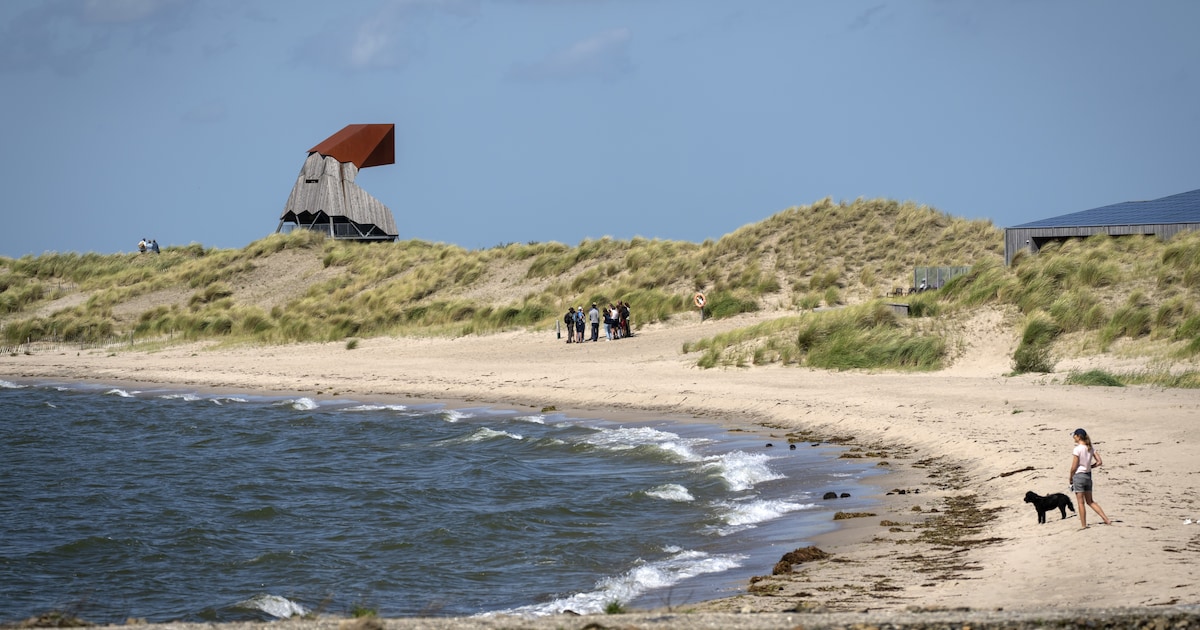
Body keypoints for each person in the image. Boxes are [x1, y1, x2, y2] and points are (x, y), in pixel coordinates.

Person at [1069, 428, 1112, 529]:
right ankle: (1106, 519)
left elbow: (1074, 467)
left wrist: (1070, 478)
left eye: (1074, 436)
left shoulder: (1077, 449)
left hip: (1079, 476)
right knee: (1090, 501)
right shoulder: (1090, 447)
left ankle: (1083, 525)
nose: (1073, 438)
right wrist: (1090, 466)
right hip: (1088, 476)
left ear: (1078, 436)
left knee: (1080, 502)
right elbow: (1099, 462)